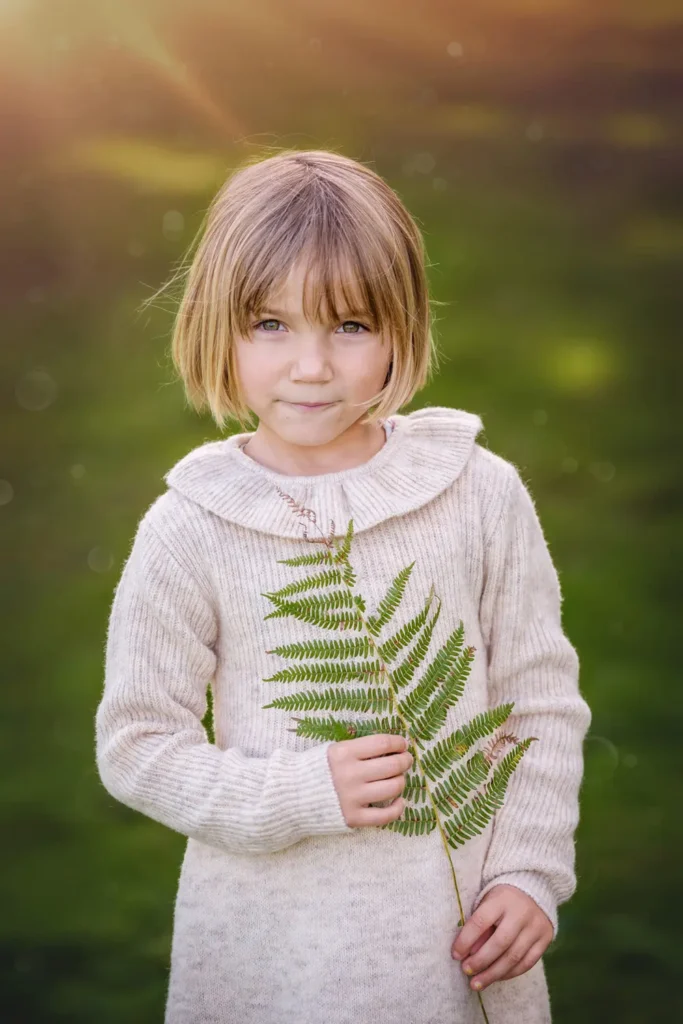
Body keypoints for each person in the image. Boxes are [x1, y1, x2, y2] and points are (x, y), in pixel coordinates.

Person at [95, 148, 592, 1024]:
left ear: (401, 327)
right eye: (271, 326)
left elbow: (538, 705)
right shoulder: (192, 526)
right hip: (269, 955)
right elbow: (137, 744)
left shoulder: (477, 493)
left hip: (457, 952)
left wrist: (528, 873)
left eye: (350, 326)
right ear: (218, 328)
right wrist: (300, 793)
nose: (312, 366)